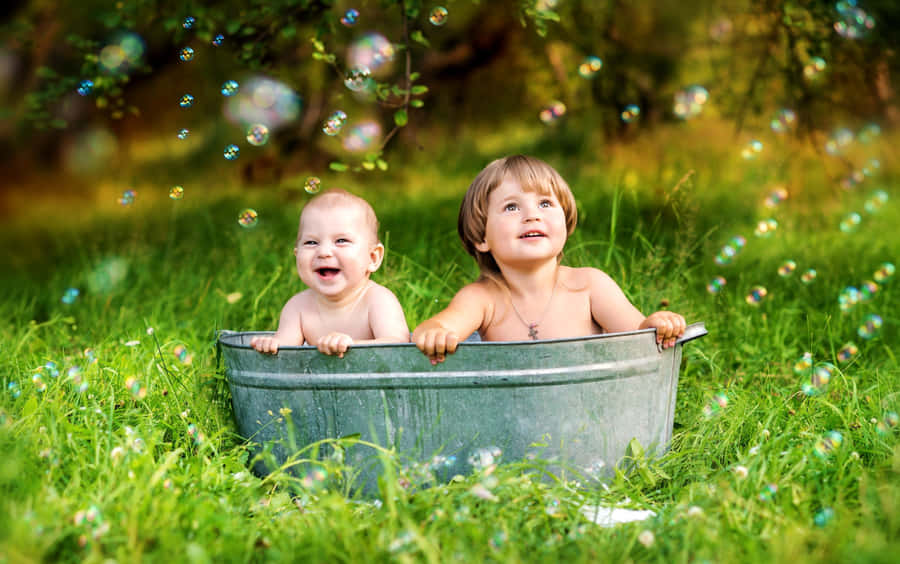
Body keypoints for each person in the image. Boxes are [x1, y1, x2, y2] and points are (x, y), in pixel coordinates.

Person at [413, 155, 686, 364]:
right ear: (481, 238)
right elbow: (442, 325)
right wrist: (433, 331)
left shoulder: (589, 286)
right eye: (511, 207)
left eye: (545, 204)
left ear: (565, 222)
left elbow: (637, 338)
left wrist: (655, 325)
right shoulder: (482, 298)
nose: (532, 215)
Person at [251, 189, 409, 357]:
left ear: (372, 258)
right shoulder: (297, 307)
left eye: (341, 241)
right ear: (297, 255)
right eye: (311, 242)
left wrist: (351, 345)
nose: (324, 252)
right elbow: (286, 353)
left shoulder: (378, 300)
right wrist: (272, 345)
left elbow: (397, 346)